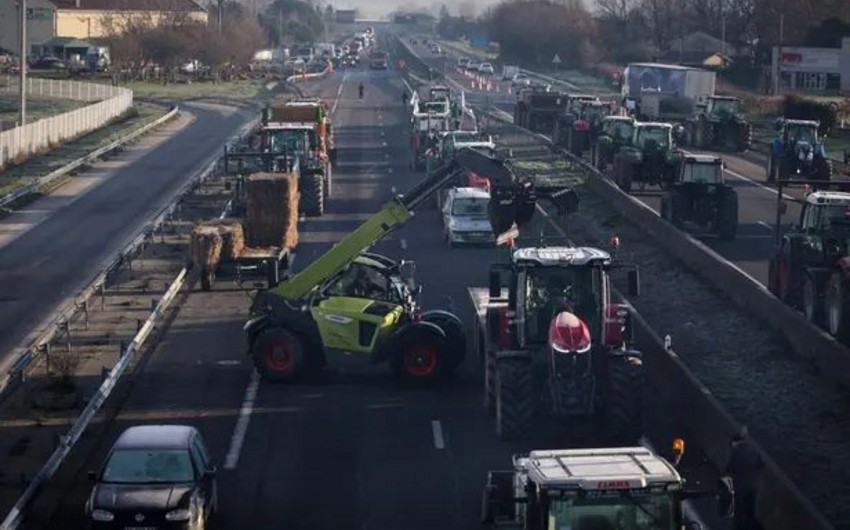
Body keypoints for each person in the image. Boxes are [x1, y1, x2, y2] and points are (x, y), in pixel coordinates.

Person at [725, 427, 764, 530]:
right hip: (753, 488)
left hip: (740, 489)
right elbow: (761, 466)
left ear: (735, 443)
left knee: (738, 512)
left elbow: (728, 469)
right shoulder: (754, 451)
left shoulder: (735, 453)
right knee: (750, 512)